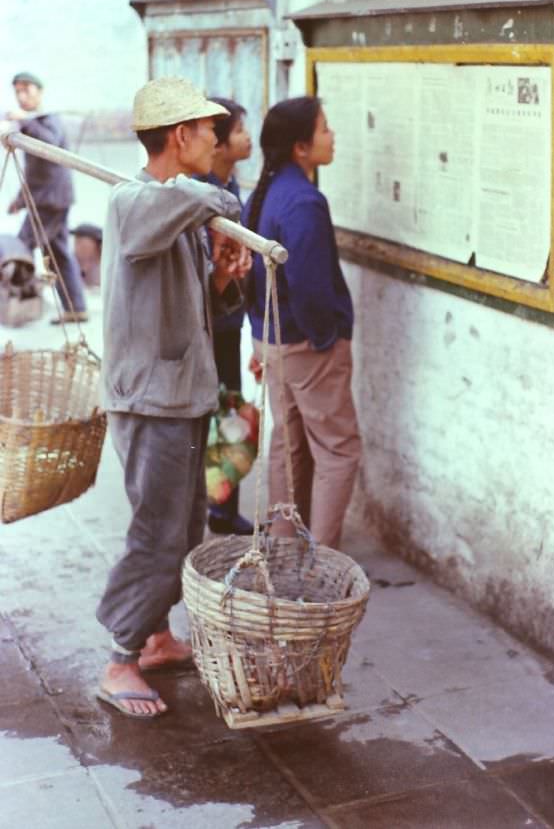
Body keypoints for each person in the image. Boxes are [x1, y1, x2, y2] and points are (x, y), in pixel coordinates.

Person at [96, 76, 251, 719]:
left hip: (185, 393)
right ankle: (120, 656)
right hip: (150, 399)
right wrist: (221, 213)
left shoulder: (179, 210)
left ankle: (156, 635)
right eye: (211, 131)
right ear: (180, 136)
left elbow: (195, 308)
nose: (218, 142)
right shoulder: (137, 202)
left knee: (185, 528)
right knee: (156, 532)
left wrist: (219, 276)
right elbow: (220, 199)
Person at [243, 96, 362, 550]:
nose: (332, 137)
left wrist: (264, 336)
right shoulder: (304, 202)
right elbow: (310, 286)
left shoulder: (265, 193)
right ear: (300, 147)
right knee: (338, 450)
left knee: (287, 444)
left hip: (272, 341)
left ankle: (285, 547)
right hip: (305, 346)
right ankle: (325, 558)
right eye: (325, 128)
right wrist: (326, 337)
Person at [199, 96, 254, 535]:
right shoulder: (201, 196)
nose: (247, 138)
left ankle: (222, 505)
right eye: (239, 131)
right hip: (205, 326)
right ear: (216, 144)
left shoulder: (233, 188)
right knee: (207, 418)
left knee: (229, 414)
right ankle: (205, 504)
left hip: (230, 324)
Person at [6, 71, 87, 324]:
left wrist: (24, 122)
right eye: (17, 91)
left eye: (26, 90)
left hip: (50, 200)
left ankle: (21, 306)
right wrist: (19, 199)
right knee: (60, 254)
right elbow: (34, 171)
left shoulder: (47, 119)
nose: (21, 96)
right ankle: (76, 308)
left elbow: (50, 145)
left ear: (39, 92)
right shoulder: (32, 122)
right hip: (46, 198)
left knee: (18, 247)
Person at [70, 222, 102, 289]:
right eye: (76, 242)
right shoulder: (71, 267)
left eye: (80, 242)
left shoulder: (107, 268)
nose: (76, 248)